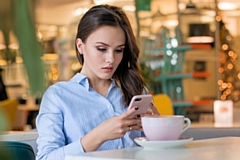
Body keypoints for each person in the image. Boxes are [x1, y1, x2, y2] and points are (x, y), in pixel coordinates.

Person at [36, 4, 159, 160]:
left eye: (119, 50)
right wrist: (99, 135)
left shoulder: (135, 91)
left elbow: (158, 152)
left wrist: (158, 129)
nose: (111, 59)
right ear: (80, 46)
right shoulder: (58, 96)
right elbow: (45, 158)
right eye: (102, 48)